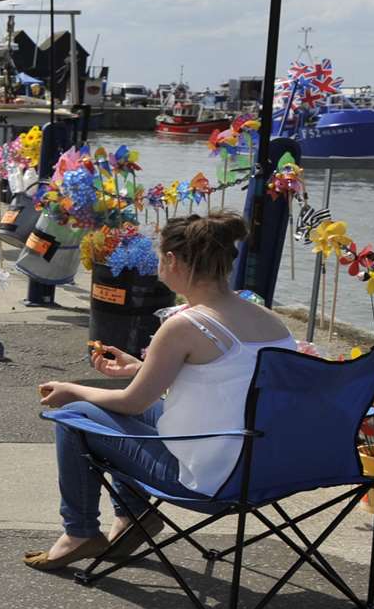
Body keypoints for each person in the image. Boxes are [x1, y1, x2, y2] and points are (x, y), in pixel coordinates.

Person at [27, 212, 295, 571]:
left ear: (171, 260)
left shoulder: (185, 324)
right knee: (121, 413)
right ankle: (131, 518)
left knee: (75, 416)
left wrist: (72, 389)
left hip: (211, 481)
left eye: (159, 257)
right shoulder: (269, 320)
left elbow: (133, 400)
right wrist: (143, 370)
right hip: (266, 468)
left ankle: (80, 532)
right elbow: (227, 379)